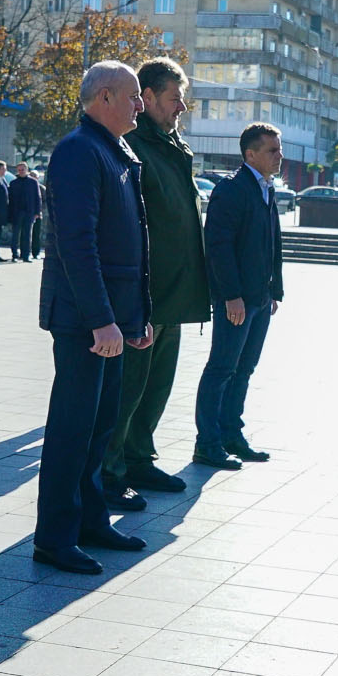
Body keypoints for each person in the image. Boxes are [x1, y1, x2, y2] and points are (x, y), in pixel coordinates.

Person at [34, 62, 154, 574]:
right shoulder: (78, 151)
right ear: (104, 96)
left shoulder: (115, 150)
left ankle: (89, 520)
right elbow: (78, 247)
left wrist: (134, 318)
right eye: (132, 97)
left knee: (100, 427)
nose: (140, 106)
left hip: (110, 320)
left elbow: (131, 244)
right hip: (85, 320)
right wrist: (103, 321)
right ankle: (54, 537)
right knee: (72, 429)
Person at [103, 59, 208, 501]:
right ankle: (109, 472)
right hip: (145, 294)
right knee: (128, 388)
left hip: (176, 290)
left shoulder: (172, 144)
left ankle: (140, 460)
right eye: (173, 98)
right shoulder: (134, 145)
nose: (181, 106)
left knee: (157, 386)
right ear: (146, 98)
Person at [194, 123, 286, 469]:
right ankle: (208, 443)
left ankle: (232, 434)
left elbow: (273, 241)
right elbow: (218, 248)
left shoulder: (266, 188)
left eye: (278, 150)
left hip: (260, 299)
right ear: (251, 154)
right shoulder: (232, 190)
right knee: (222, 368)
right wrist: (231, 296)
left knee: (244, 369)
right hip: (237, 301)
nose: (280, 157)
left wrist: (275, 289)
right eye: (272, 151)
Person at [7, 161, 43, 263]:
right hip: (16, 212)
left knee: (27, 235)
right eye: (19, 170)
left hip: (29, 212)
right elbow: (10, 200)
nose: (21, 171)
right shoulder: (13, 183)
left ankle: (26, 255)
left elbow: (38, 198)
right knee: (15, 235)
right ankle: (14, 255)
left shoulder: (33, 182)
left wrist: (37, 212)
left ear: (26, 170)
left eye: (23, 169)